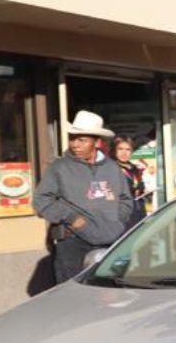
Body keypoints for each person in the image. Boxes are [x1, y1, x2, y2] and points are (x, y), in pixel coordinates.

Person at [33, 110, 134, 284]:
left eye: (82, 140)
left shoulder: (112, 167)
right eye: (72, 138)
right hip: (73, 243)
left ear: (96, 142)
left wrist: (117, 221)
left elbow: (125, 199)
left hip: (110, 242)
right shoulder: (59, 167)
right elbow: (41, 200)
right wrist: (71, 218)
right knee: (73, 296)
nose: (75, 145)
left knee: (109, 292)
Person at [111, 135, 148, 228]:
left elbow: (138, 187)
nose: (124, 153)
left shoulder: (134, 168)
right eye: (120, 149)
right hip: (120, 215)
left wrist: (143, 192)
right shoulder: (110, 168)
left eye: (128, 149)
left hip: (137, 213)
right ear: (114, 150)